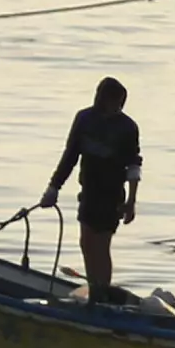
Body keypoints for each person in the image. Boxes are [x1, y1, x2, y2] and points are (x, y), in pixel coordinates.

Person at [38, 77, 142, 300]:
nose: (112, 106)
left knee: (101, 245)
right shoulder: (84, 119)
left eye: (116, 102)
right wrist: (54, 187)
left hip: (112, 194)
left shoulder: (127, 128)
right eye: (107, 99)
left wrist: (131, 202)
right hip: (89, 191)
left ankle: (101, 292)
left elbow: (134, 165)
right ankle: (96, 288)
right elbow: (70, 156)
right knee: (86, 242)